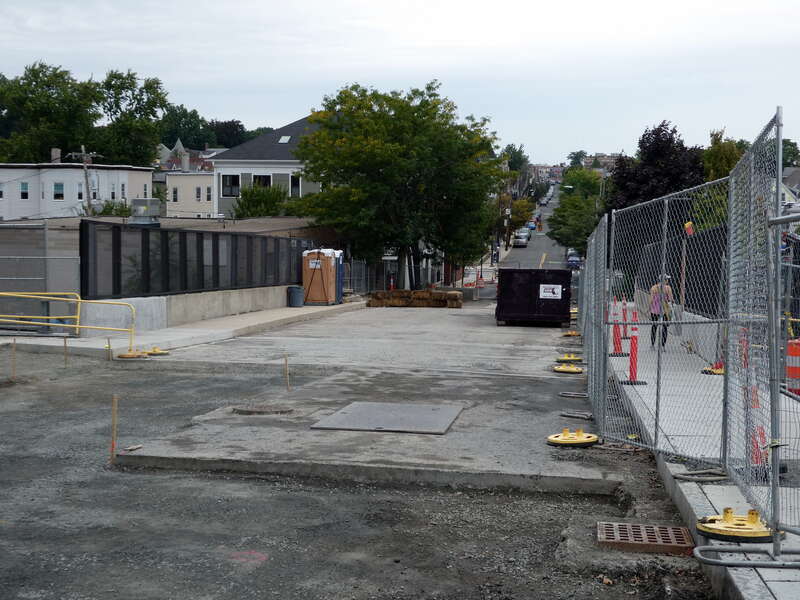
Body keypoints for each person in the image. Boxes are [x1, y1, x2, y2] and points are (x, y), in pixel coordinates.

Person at [649, 276, 674, 347]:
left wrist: (649, 308)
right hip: (664, 310)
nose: (668, 281)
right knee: (664, 327)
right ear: (665, 280)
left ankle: (652, 344)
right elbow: (671, 299)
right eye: (667, 280)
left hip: (654, 310)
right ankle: (663, 345)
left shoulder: (653, 288)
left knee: (654, 326)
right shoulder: (668, 288)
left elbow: (651, 300)